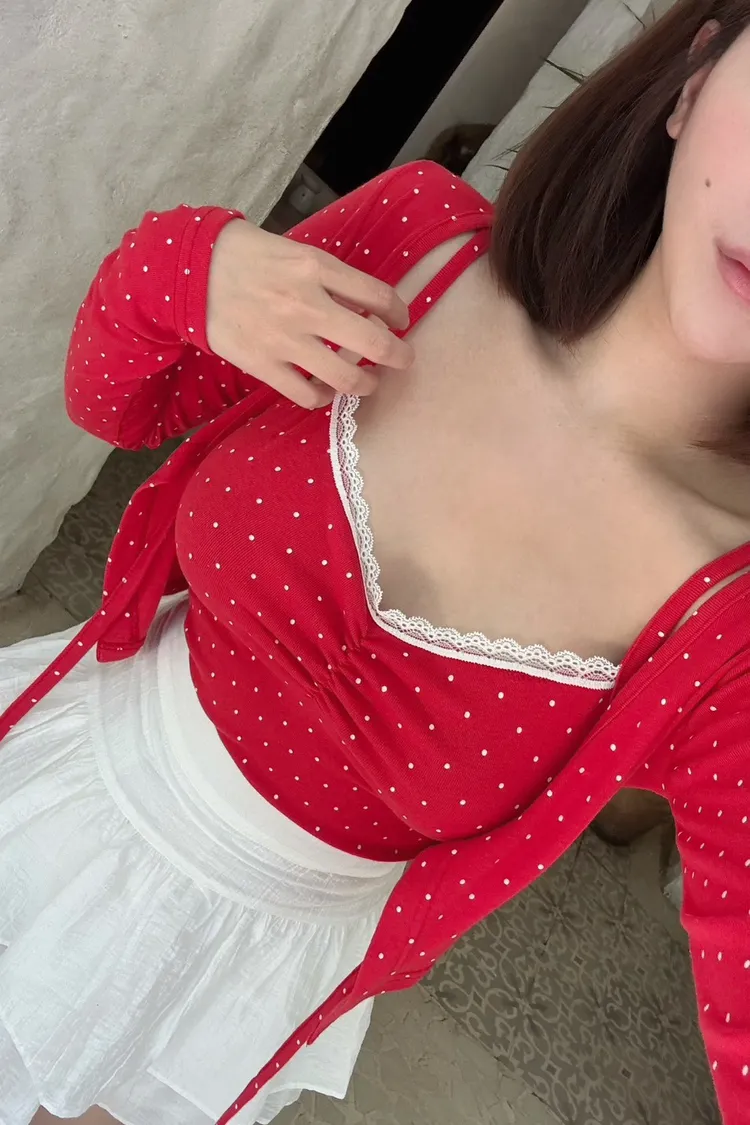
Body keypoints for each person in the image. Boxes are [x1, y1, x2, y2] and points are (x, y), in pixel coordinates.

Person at [2, 0, 750, 1122]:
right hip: (59, 768)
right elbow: (117, 404)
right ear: (696, 79)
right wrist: (186, 268)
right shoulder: (418, 241)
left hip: (231, 972)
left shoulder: (729, 630)